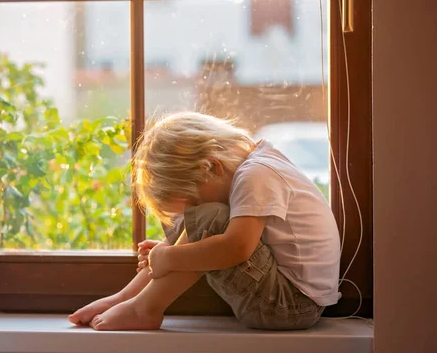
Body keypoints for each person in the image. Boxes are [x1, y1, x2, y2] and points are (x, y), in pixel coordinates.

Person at [68, 112, 341, 331]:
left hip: (290, 304)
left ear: (212, 166)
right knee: (193, 223)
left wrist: (171, 258)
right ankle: (127, 298)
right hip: (281, 295)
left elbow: (236, 248)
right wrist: (170, 252)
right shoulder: (251, 166)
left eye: (195, 200)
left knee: (210, 218)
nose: (196, 210)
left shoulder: (256, 175)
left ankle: (145, 308)